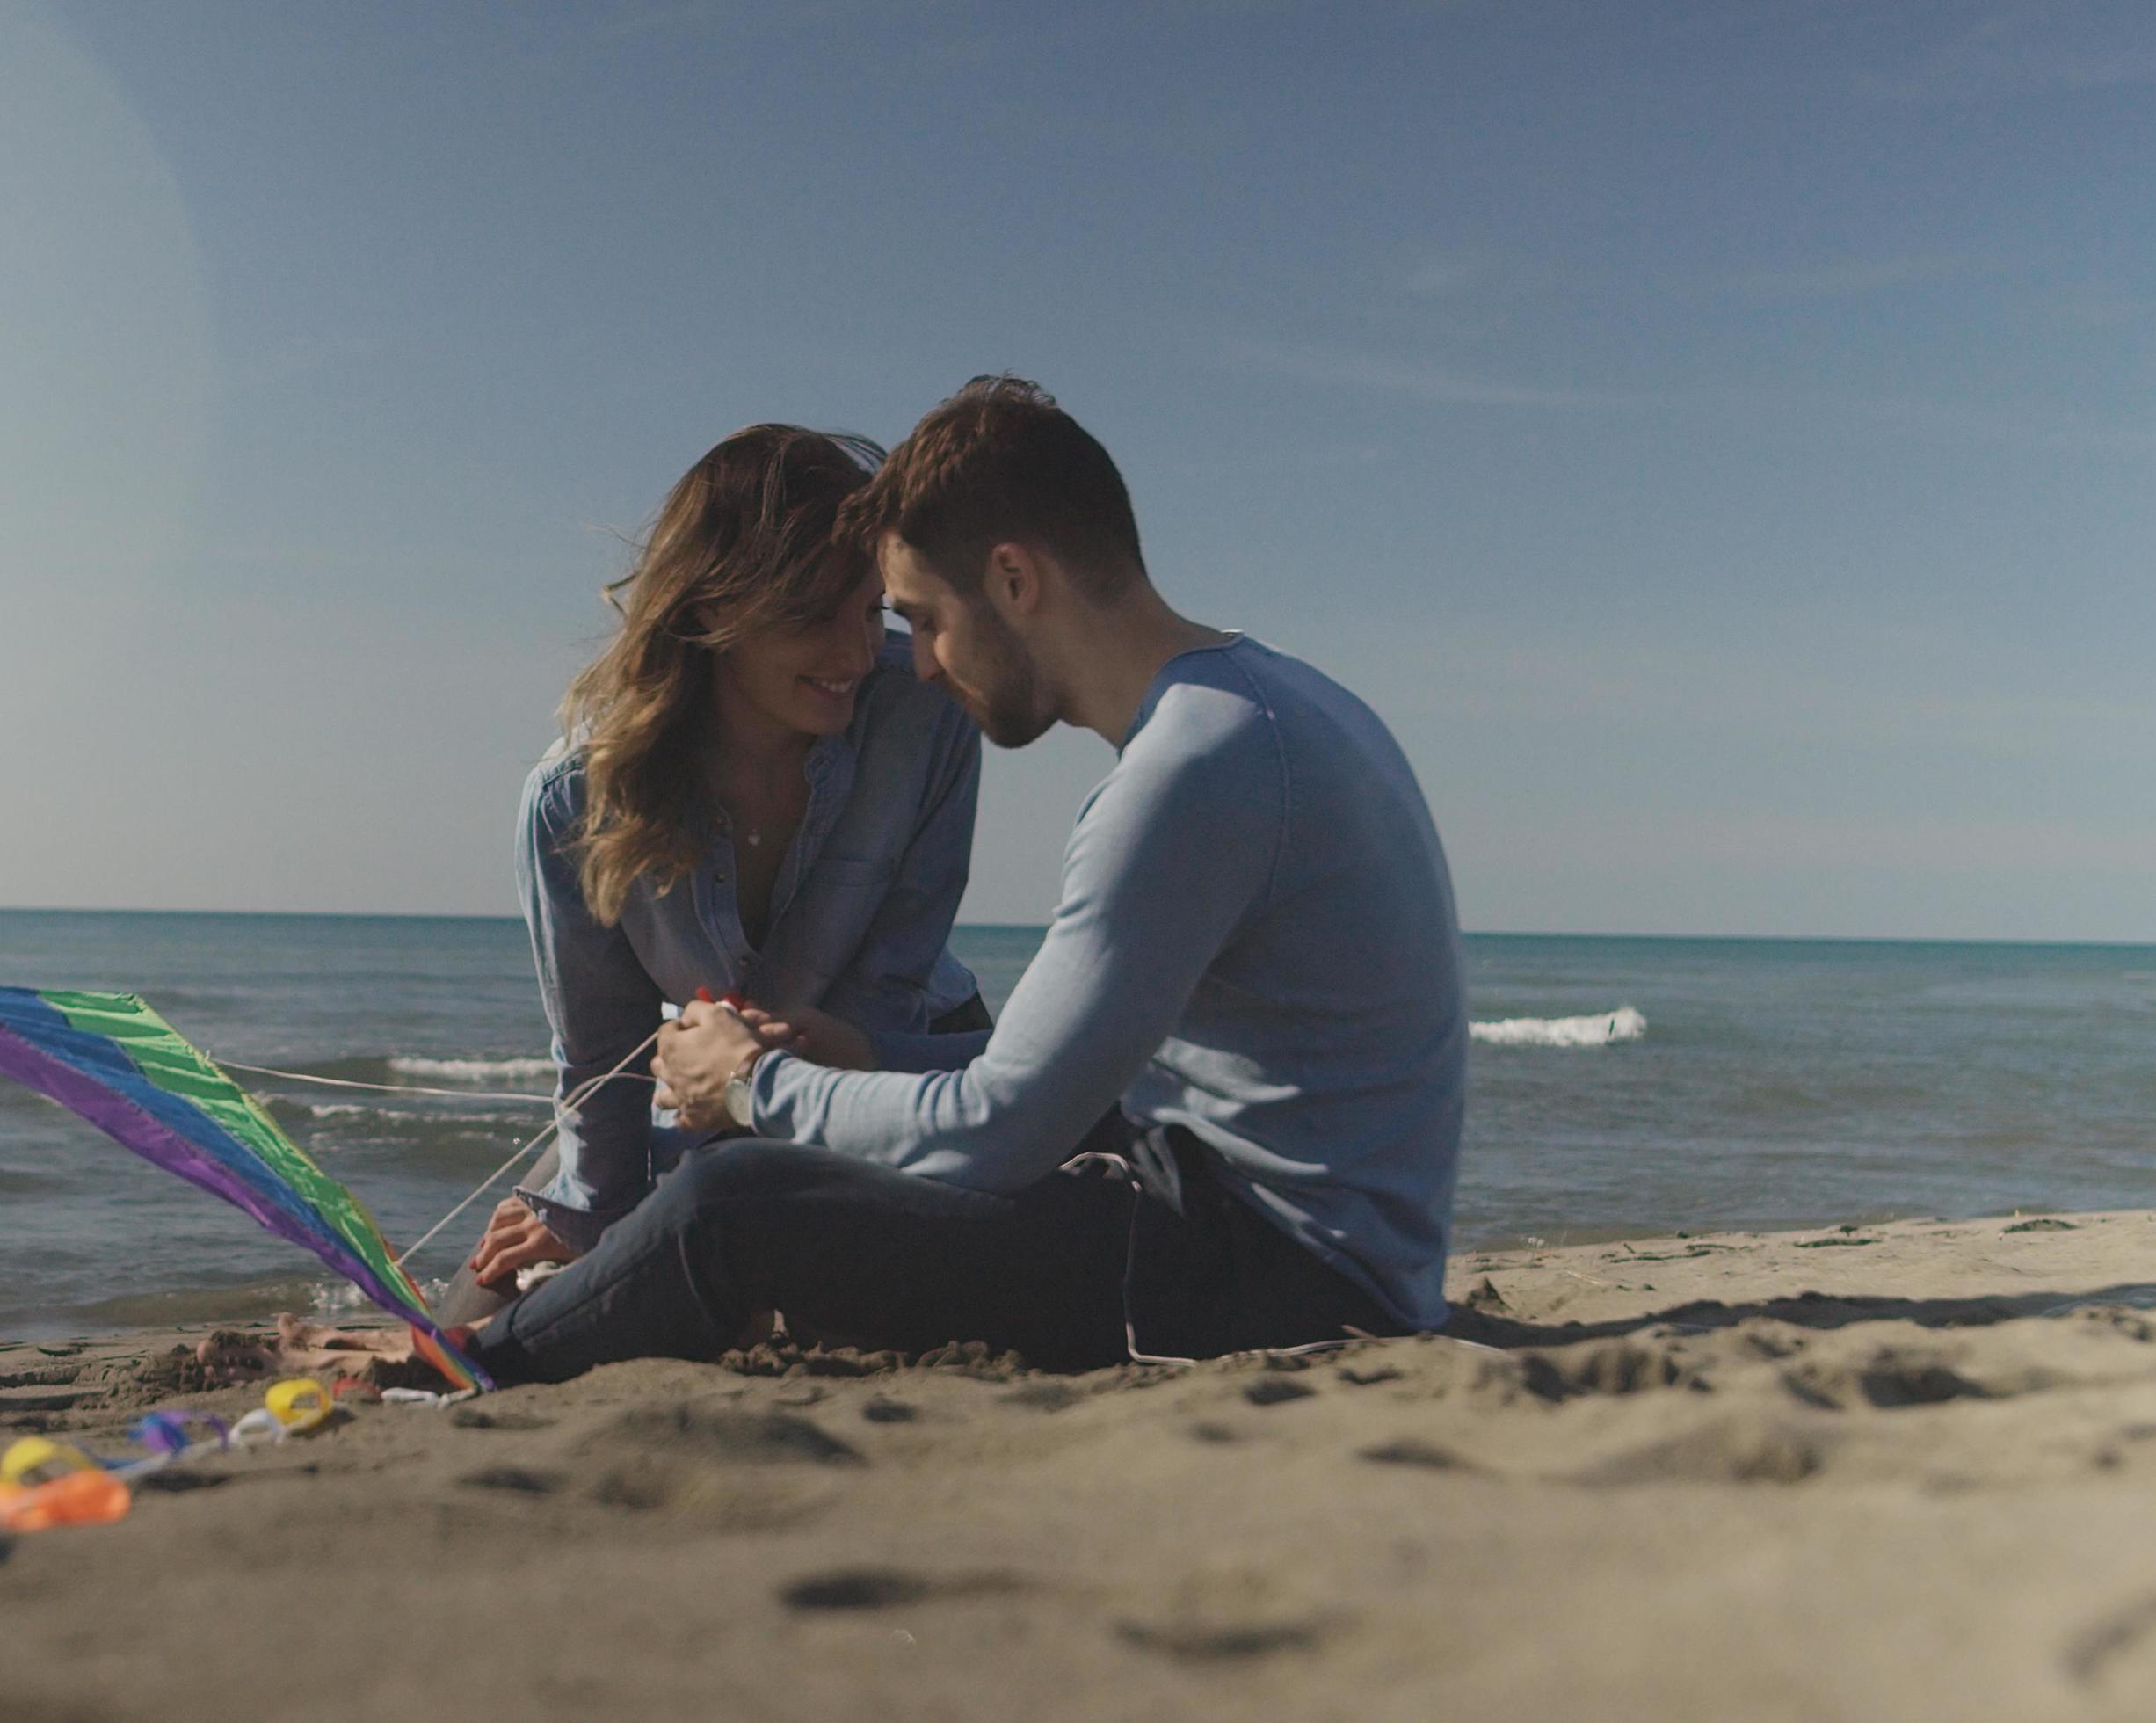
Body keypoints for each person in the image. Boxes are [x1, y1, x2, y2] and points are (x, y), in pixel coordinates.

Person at [455, 377, 1469, 1385]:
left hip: (1275, 1273)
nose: (916, 668)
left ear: (1014, 580)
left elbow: (996, 1126)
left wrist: (749, 1085)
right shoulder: (1258, 705)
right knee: (750, 1181)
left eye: (919, 618)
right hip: (1284, 1232)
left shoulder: (1182, 779)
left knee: (728, 1211)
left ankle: (464, 1375)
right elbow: (1082, 1073)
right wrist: (869, 1054)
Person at [456, 423, 991, 1318]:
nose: (856, 655)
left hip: (898, 1065)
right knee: (468, 1318)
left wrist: (686, 1184)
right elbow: (601, 1057)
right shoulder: (572, 801)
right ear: (711, 609)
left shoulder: (925, 716)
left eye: (870, 611)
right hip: (702, 1096)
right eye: (811, 615)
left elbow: (881, 994)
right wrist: (597, 1208)